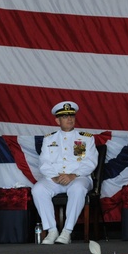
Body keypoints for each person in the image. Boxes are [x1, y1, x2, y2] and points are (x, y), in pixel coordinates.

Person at [31, 101, 98, 245]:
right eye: (65, 116)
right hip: (55, 178)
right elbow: (43, 162)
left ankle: (67, 231)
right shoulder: (49, 138)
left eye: (71, 116)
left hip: (79, 177)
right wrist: (54, 176)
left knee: (78, 188)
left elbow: (91, 162)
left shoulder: (86, 138)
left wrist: (73, 175)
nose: (69, 119)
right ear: (57, 120)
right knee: (38, 189)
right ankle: (52, 230)